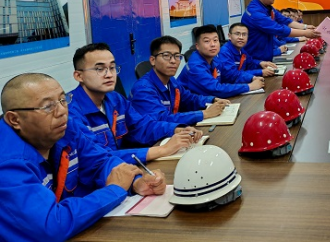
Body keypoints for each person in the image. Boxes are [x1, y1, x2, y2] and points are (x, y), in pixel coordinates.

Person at [0, 73, 167, 241]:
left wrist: (135, 182)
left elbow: (100, 162)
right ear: (14, 119)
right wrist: (114, 190)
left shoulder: (66, 128)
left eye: (62, 100)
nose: (62, 112)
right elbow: (51, 225)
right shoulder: (8, 162)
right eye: (48, 106)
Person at [70, 43, 201, 165]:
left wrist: (176, 129)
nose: (109, 74)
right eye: (99, 69)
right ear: (79, 76)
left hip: (120, 167)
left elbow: (142, 126)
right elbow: (98, 158)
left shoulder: (115, 99)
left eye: (112, 67)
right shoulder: (71, 113)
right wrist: (162, 150)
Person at [130, 36, 229, 125]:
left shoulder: (171, 81)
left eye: (177, 56)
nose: (173, 61)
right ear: (153, 60)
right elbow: (160, 119)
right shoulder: (143, 89)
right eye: (166, 55)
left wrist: (212, 100)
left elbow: (189, 98)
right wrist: (204, 114)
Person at [241, 0, 320, 62]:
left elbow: (284, 20)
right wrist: (305, 33)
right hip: (254, 59)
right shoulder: (255, 12)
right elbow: (280, 29)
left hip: (265, 57)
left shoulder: (267, 7)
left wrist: (306, 27)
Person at [178, 25, 265, 98]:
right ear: (197, 46)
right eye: (207, 41)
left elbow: (231, 75)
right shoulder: (195, 66)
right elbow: (216, 89)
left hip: (209, 100)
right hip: (189, 107)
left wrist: (252, 78)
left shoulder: (215, 58)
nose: (213, 44)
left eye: (215, 40)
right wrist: (249, 86)